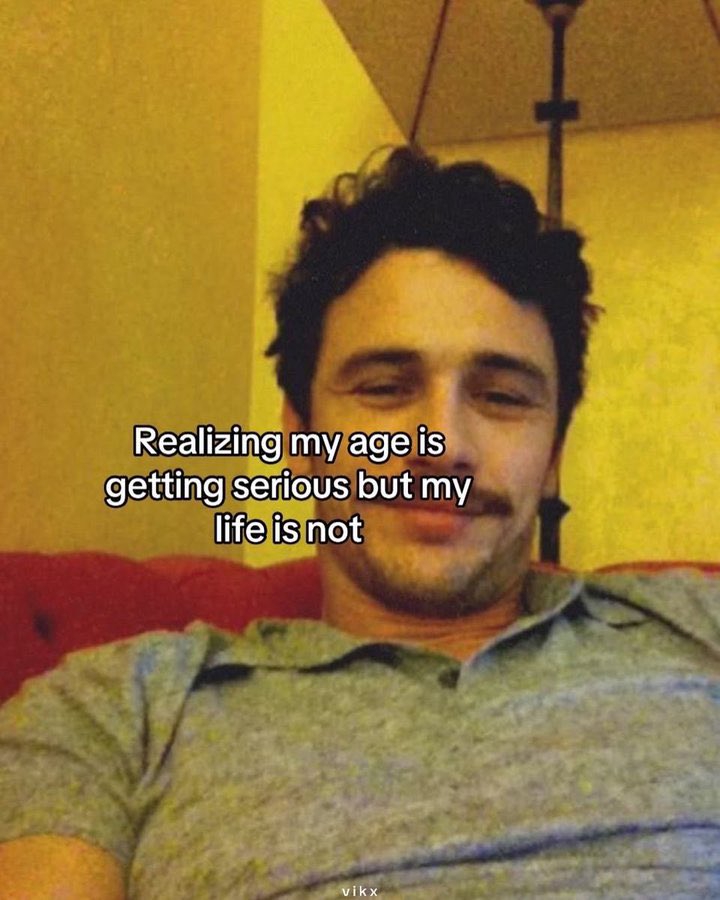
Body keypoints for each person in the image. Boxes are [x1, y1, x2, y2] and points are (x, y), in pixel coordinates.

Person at [1, 147, 718, 898]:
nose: (442, 445)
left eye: (503, 398)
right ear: (299, 437)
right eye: (383, 388)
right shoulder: (112, 713)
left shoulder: (699, 628)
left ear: (553, 459)